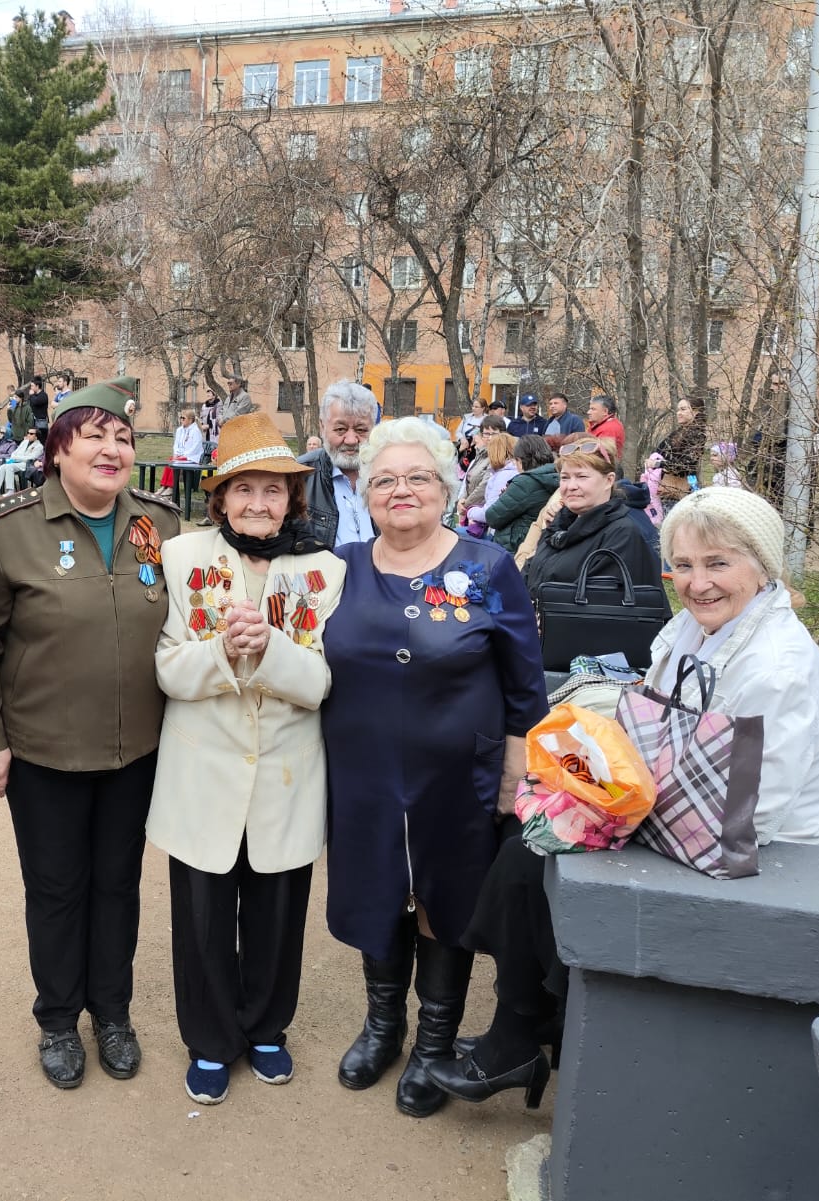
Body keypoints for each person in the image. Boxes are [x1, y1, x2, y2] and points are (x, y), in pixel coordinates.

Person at [441, 488, 819, 1109]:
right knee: (527, 828)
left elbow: (754, 809)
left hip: (744, 845)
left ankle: (521, 1033)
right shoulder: (697, 628)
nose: (697, 583)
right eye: (683, 565)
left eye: (718, 563)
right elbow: (654, 724)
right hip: (680, 811)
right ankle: (540, 1016)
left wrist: (613, 813)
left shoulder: (778, 667)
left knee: (535, 856)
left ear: (762, 565)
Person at [322, 417, 548, 1118]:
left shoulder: (488, 568)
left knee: (442, 900)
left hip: (458, 777)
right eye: (384, 479)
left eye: (418, 477)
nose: (402, 490)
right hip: (361, 773)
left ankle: (434, 1041)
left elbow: (525, 684)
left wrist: (514, 772)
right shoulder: (339, 568)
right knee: (378, 890)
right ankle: (383, 1025)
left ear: (446, 488)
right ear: (365, 491)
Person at [0, 377, 181, 1091]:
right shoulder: (9, 529)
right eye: (94, 436)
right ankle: (59, 1018)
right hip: (44, 750)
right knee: (57, 888)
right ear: (58, 449)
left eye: (123, 437)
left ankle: (112, 1013)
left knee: (118, 884)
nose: (112, 449)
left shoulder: (162, 524)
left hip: (137, 747)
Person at [147, 414, 345, 1106]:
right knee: (201, 917)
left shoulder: (326, 571)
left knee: (277, 912)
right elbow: (168, 669)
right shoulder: (181, 558)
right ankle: (209, 1038)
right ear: (220, 497)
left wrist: (271, 649)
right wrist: (223, 651)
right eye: (244, 489)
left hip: (288, 773)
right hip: (202, 773)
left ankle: (265, 1027)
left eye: (273, 490)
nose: (258, 503)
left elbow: (323, 682)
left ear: (293, 499)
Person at [522, 437, 668, 658]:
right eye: (565, 477)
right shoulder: (560, 526)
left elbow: (598, 608)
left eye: (582, 477)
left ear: (609, 480)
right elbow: (530, 574)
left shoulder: (622, 534)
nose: (571, 486)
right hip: (538, 647)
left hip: (583, 660)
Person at [301, 379, 377, 547]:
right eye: (340, 429)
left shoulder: (390, 477)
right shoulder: (299, 477)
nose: (351, 440)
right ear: (322, 427)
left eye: (361, 430)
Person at [483, 435, 558, 551]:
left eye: (515, 460)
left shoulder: (525, 482)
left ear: (521, 460)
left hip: (514, 546)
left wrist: (505, 496)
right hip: (539, 544)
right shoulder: (555, 474)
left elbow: (492, 517)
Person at [653, 394, 707, 509]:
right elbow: (660, 450)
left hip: (682, 487)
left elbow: (685, 465)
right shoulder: (679, 432)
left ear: (696, 412)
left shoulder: (698, 435)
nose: (679, 413)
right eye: (678, 410)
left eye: (683, 409)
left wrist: (658, 464)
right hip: (670, 485)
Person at [463, 429, 518, 537]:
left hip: (496, 533)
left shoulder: (503, 475)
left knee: (456, 533)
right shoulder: (511, 471)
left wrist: (470, 511)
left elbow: (489, 513)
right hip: (501, 529)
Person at [457, 416, 510, 523]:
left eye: (494, 434)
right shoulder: (480, 454)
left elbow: (484, 485)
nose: (490, 438)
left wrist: (466, 504)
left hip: (484, 512)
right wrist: (461, 500)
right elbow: (468, 480)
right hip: (471, 509)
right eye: (486, 434)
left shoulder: (500, 457)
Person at [159, 407, 205, 496]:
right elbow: (176, 444)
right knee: (170, 460)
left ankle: (171, 487)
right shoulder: (179, 430)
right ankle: (164, 486)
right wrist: (176, 453)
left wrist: (184, 455)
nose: (181, 420)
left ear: (190, 420)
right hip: (181, 456)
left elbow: (195, 448)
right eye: (181, 418)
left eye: (183, 418)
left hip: (192, 457)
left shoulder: (195, 431)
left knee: (175, 462)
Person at [0, 427, 43, 495]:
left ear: (36, 436)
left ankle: (10, 490)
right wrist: (16, 457)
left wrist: (17, 458)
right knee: (2, 467)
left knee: (9, 467)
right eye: (28, 433)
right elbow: (14, 453)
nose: (28, 435)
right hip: (17, 462)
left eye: (31, 434)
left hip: (27, 464)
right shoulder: (25, 442)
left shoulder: (39, 446)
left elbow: (30, 458)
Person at [587, 394, 626, 459]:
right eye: (590, 409)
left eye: (593, 409)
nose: (588, 412)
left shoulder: (610, 428)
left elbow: (601, 457)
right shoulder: (601, 425)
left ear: (605, 411)